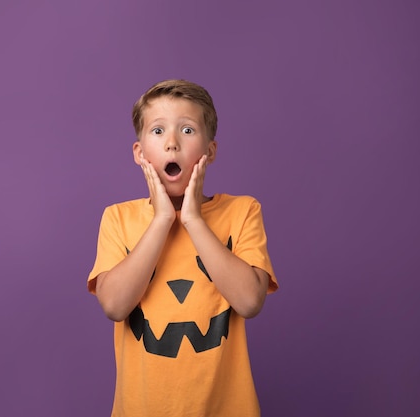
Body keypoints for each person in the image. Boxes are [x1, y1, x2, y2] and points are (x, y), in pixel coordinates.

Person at [87, 79, 279, 417]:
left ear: (210, 151)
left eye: (187, 130)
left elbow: (249, 301)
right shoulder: (118, 218)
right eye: (158, 131)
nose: (172, 143)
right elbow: (115, 306)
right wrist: (162, 219)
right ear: (139, 152)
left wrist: (192, 219)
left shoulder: (242, 212)